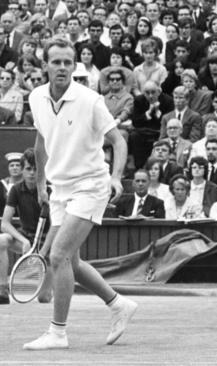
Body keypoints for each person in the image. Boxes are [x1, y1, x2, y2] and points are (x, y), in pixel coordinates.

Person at [26, 36, 137, 350]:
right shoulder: (35, 97)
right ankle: (118, 305)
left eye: (66, 62)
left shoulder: (90, 100)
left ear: (74, 66)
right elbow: (40, 144)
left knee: (57, 255)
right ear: (45, 65)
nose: (61, 67)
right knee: (71, 264)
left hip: (91, 186)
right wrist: (40, 186)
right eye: (55, 62)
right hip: (60, 189)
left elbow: (118, 141)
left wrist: (116, 177)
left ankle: (57, 333)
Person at [0, 149, 50, 304]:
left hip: (49, 243)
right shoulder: (15, 189)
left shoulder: (50, 190)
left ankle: (50, 286)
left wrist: (42, 252)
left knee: (44, 298)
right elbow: (5, 223)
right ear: (22, 170)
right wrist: (24, 241)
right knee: (2, 240)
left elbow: (57, 226)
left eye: (36, 169)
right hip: (27, 237)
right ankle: (2, 289)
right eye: (28, 168)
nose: (32, 173)